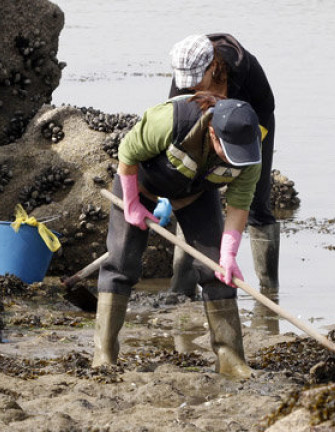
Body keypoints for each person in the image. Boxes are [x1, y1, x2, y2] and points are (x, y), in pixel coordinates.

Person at [93, 90, 266, 379]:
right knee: (122, 263)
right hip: (142, 182)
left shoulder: (250, 153)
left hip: (195, 194)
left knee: (216, 269)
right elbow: (128, 152)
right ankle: (104, 355)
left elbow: (238, 206)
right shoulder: (172, 120)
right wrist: (133, 203)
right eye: (229, 151)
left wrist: (229, 254)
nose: (236, 160)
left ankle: (230, 359)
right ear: (212, 131)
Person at [166, 34, 280, 324]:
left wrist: (249, 148)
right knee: (189, 199)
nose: (189, 86)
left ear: (212, 68)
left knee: (257, 201)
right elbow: (172, 120)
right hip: (200, 129)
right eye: (185, 82)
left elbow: (266, 106)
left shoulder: (245, 68)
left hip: (249, 129)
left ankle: (269, 293)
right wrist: (171, 186)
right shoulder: (185, 77)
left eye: (195, 81)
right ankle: (181, 290)